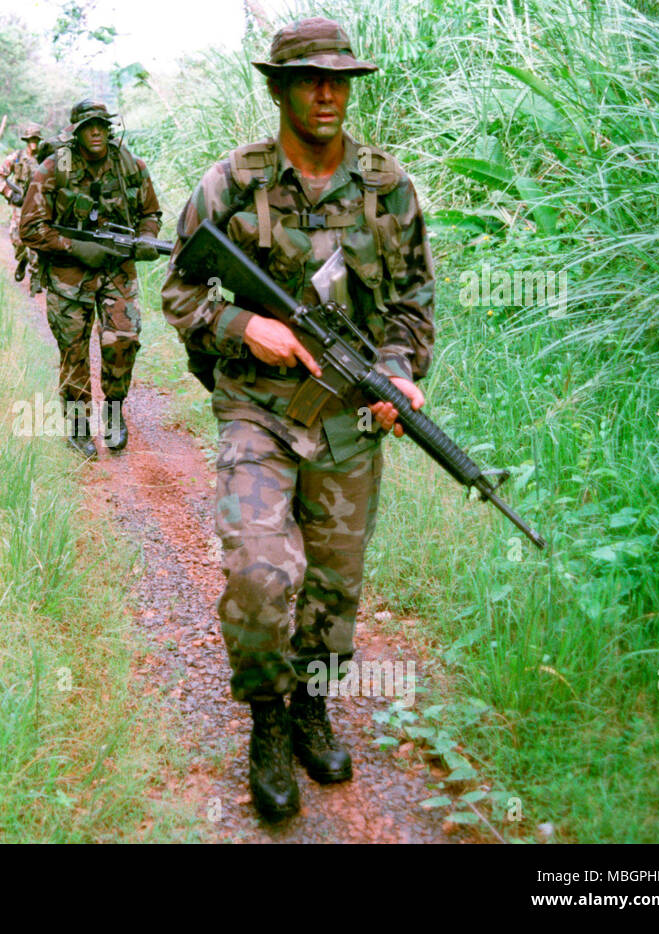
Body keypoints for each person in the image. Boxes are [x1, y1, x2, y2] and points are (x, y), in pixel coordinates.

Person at [160, 18, 435, 822]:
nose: (326, 93)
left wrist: (396, 372)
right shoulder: (230, 184)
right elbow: (178, 292)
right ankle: (268, 724)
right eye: (309, 78)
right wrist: (247, 328)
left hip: (348, 419)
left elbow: (413, 309)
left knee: (333, 585)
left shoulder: (391, 189)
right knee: (258, 573)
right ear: (277, 88)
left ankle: (313, 703)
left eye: (339, 78)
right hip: (256, 411)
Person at [19, 100, 162, 457]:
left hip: (117, 269)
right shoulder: (55, 168)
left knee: (123, 341)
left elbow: (150, 212)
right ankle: (79, 426)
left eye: (101, 124)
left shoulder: (129, 164)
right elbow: (30, 228)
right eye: (88, 125)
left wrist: (145, 238)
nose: (96, 131)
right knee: (74, 352)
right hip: (69, 276)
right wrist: (75, 247)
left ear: (109, 128)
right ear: (76, 130)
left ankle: (113, 413)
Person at [0, 122, 44, 291]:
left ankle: (35, 276)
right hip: (20, 204)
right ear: (26, 140)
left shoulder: (45, 159)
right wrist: (10, 193)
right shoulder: (16, 158)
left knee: (38, 239)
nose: (34, 143)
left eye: (36, 139)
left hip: (39, 204)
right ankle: (23, 259)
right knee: (18, 239)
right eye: (31, 139)